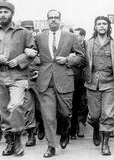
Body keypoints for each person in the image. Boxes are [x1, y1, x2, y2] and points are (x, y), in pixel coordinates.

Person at [0, 1, 37, 156]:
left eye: (5, 12)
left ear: (12, 14)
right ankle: (10, 143)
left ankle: (17, 140)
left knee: (16, 107)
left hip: (18, 76)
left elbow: (33, 51)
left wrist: (20, 60)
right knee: (4, 112)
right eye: (0, 12)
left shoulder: (23, 32)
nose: (2, 15)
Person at [33, 9, 85, 158]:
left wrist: (68, 60)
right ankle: (51, 146)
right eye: (51, 18)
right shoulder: (39, 37)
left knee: (65, 113)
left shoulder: (71, 36)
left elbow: (81, 57)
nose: (54, 20)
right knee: (48, 116)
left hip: (64, 80)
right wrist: (36, 61)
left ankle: (66, 131)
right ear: (47, 20)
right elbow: (34, 55)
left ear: (60, 20)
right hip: (45, 82)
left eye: (56, 18)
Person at [84, 16, 114, 156]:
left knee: (108, 114)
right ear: (94, 27)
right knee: (94, 116)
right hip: (92, 82)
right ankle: (95, 128)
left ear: (108, 26)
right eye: (98, 24)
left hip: (110, 83)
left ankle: (105, 144)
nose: (101, 26)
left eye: (104, 24)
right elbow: (82, 61)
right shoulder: (87, 43)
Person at [20, 20, 45, 146]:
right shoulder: (18, 45)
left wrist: (41, 73)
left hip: (40, 82)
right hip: (25, 81)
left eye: (30, 28)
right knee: (27, 109)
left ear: (33, 30)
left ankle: (41, 126)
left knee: (41, 108)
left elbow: (47, 62)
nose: (27, 30)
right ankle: (31, 134)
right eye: (25, 28)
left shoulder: (40, 43)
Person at [69, 27, 88, 139]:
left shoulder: (87, 47)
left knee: (82, 104)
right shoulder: (70, 47)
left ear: (82, 37)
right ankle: (72, 128)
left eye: (76, 36)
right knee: (73, 104)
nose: (74, 38)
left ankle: (80, 126)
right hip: (73, 79)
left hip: (85, 80)